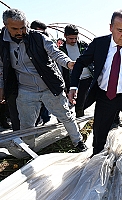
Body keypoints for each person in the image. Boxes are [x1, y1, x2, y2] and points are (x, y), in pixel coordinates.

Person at [68, 9, 122, 173]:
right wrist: (73, 86)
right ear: (111, 27)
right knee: (99, 131)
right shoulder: (100, 44)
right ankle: (95, 162)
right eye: (120, 30)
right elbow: (80, 63)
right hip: (105, 96)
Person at [0, 8, 87, 152]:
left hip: (49, 86)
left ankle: (78, 142)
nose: (20, 32)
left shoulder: (38, 37)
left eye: (23, 27)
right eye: (15, 29)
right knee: (27, 125)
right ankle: (29, 150)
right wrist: (2, 88)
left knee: (66, 116)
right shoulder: (2, 42)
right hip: (25, 90)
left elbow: (55, 52)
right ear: (5, 25)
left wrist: (68, 63)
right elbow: (1, 68)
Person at [59, 24, 93, 117]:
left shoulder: (83, 45)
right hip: (72, 80)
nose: (73, 41)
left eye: (75, 38)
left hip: (86, 78)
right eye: (71, 38)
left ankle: (80, 120)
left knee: (82, 102)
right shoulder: (61, 50)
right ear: (65, 36)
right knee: (72, 103)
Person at [30, 20, 51, 126]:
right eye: (38, 32)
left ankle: (44, 119)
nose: (40, 36)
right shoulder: (23, 44)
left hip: (46, 82)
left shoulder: (45, 42)